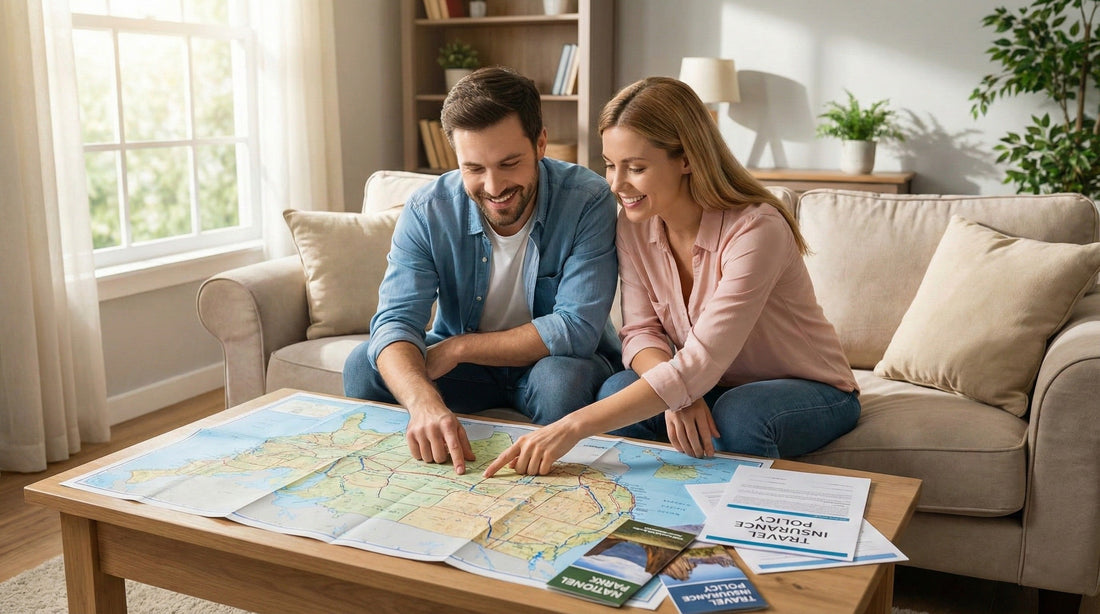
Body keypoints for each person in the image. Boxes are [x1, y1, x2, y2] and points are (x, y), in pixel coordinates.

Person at [484, 76, 860, 478]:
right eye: (611, 165)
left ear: (686, 159)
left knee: (739, 415)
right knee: (616, 389)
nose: (616, 184)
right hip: (710, 381)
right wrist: (680, 395)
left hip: (809, 388)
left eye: (636, 168)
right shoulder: (634, 227)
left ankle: (735, 522)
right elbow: (641, 333)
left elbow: (701, 361)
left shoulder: (756, 230)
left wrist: (572, 426)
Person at [343, 67, 621, 475]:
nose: (493, 186)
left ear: (540, 142)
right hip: (465, 374)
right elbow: (396, 322)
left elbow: (575, 329)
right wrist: (424, 402)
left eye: (509, 163)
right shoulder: (426, 210)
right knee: (363, 367)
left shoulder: (587, 199)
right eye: (474, 168)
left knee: (562, 384)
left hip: (553, 363)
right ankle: (404, 475)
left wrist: (459, 347)